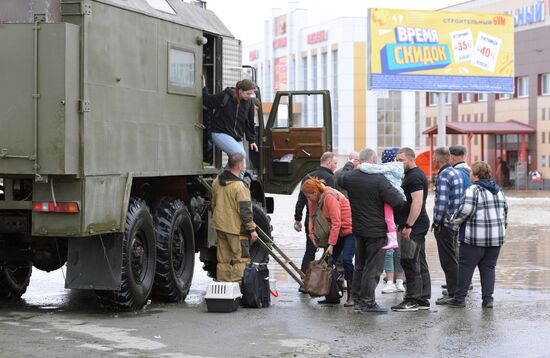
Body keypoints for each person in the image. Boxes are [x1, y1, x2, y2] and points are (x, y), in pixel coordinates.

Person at [338, 148, 405, 313]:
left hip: (358, 229)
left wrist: (350, 164)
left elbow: (340, 179)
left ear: (360, 161)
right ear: (374, 161)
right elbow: (397, 201)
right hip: (376, 231)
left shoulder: (351, 177)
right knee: (373, 268)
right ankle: (368, 302)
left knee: (360, 266)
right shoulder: (379, 179)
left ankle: (359, 299)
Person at [447, 161, 508, 308]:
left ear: (475, 175)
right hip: (496, 239)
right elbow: (505, 212)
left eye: (470, 173)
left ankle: (459, 299)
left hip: (474, 239)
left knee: (466, 268)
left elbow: (464, 211)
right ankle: (488, 300)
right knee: (489, 269)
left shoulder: (473, 190)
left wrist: (452, 222)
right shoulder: (498, 190)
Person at [301, 177, 356, 306]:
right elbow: (311, 216)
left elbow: (337, 222)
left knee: (347, 260)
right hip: (335, 231)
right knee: (328, 261)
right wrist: (311, 233)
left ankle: (351, 295)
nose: (308, 199)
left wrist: (331, 244)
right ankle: (332, 295)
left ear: (315, 193)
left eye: (309, 196)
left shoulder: (329, 197)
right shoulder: (313, 199)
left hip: (348, 230)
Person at [391, 147, 432, 312]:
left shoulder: (415, 176)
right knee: (419, 260)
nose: (398, 163)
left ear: (410, 159)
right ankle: (423, 298)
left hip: (414, 225)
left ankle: (412, 300)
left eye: (401, 160)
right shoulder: (410, 175)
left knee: (409, 261)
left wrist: (408, 226)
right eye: (397, 160)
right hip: (415, 224)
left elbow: (417, 203)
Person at [294, 152, 338, 292]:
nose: (336, 166)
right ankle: (322, 283)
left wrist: (297, 218)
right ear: (329, 162)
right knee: (328, 251)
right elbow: (334, 203)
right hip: (326, 222)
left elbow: (301, 199)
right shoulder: (330, 178)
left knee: (309, 251)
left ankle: (304, 281)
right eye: (335, 163)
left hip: (311, 220)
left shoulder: (307, 177)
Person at [211, 153, 258, 282]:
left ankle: (224, 289)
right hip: (236, 230)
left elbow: (213, 204)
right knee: (241, 259)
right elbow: (245, 211)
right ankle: (237, 289)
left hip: (220, 226)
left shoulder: (216, 182)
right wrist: (252, 230)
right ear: (240, 166)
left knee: (223, 260)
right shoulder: (240, 187)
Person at [202, 79, 259, 175]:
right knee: (240, 154)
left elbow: (249, 122)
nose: (250, 97)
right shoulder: (225, 96)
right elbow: (208, 101)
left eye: (252, 94)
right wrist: (204, 87)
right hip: (220, 133)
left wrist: (252, 140)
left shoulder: (249, 102)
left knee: (242, 167)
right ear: (240, 91)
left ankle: (236, 188)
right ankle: (222, 178)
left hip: (236, 137)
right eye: (248, 94)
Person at [432, 147, 463, 305]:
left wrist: (436, 223)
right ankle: (456, 292)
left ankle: (453, 294)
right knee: (453, 259)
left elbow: (441, 202)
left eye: (433, 158)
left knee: (447, 261)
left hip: (445, 224)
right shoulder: (455, 172)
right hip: (455, 223)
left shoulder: (443, 175)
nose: (433, 161)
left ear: (437, 159)